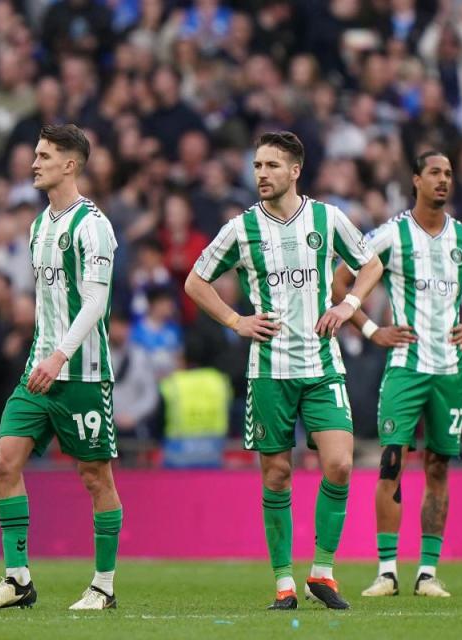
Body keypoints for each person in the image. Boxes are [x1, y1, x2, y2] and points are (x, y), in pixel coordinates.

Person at [185, 131, 383, 610]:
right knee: (276, 475)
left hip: (321, 366)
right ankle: (283, 583)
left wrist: (349, 304)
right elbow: (195, 281)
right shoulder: (241, 228)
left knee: (338, 463)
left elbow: (371, 263)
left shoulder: (326, 218)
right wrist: (236, 321)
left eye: (271, 166)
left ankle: (323, 571)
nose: (261, 174)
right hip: (269, 371)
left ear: (295, 170)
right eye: (256, 166)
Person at [0, 124, 122, 611]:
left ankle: (103, 585)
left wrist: (61, 355)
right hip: (40, 371)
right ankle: (17, 580)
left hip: (82, 374)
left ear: (70, 165)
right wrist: (45, 354)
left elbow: (96, 301)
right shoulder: (39, 227)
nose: (34, 163)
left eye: (43, 155)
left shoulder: (93, 226)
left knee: (96, 477)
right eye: (35, 154)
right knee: (4, 461)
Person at [334, 150, 462, 598]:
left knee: (438, 467)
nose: (444, 181)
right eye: (435, 173)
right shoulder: (390, 235)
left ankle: (427, 572)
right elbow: (339, 281)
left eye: (449, 174)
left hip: (450, 372)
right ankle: (387, 571)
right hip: (405, 368)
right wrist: (370, 329)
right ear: (416, 180)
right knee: (391, 463)